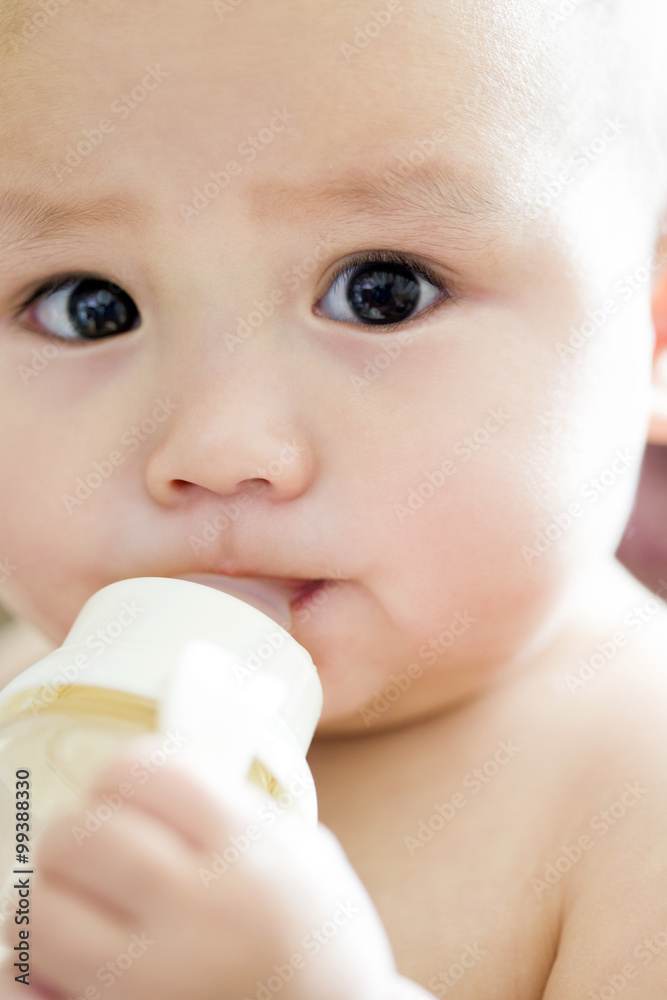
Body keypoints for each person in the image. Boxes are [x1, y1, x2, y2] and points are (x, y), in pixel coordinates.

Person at [0, 0, 667, 996]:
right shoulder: (28, 707)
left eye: (382, 290)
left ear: (648, 340)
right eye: (88, 306)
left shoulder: (628, 787)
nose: (219, 449)